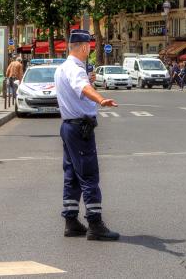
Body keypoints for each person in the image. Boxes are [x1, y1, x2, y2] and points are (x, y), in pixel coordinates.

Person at [55, 29, 120, 241]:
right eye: (90, 48)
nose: (90, 51)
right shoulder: (75, 68)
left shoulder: (62, 68)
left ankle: (71, 221)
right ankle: (95, 223)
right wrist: (100, 99)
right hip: (80, 128)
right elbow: (82, 87)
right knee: (89, 175)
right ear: (83, 47)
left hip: (68, 126)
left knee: (71, 175)